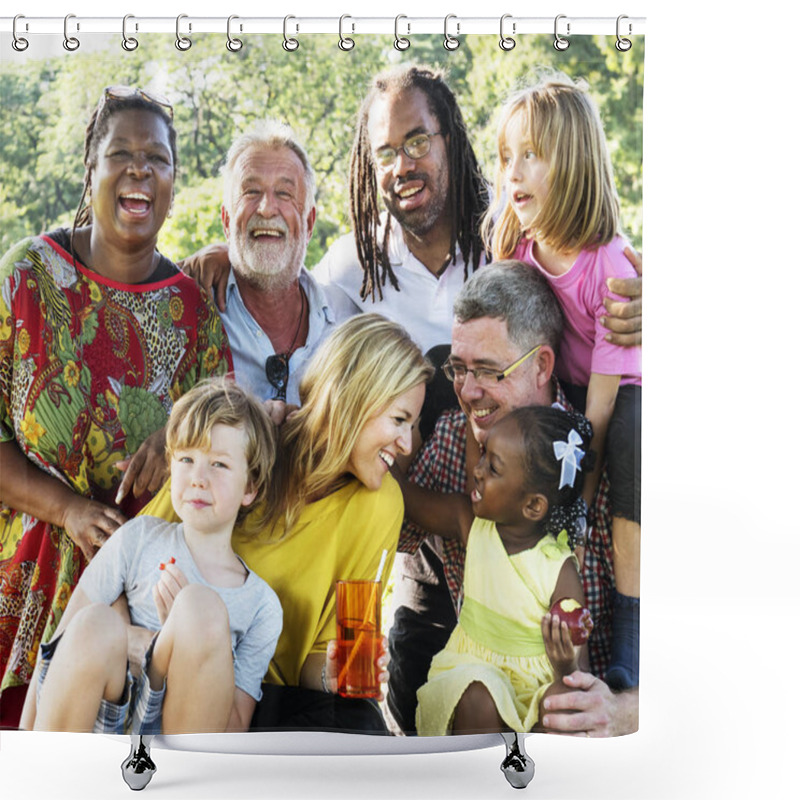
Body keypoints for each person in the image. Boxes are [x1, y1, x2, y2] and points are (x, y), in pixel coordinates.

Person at [0, 86, 231, 729]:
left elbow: (225, 450)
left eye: (156, 158)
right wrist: (68, 509)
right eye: (120, 154)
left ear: (173, 181)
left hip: (139, 597)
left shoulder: (194, 315)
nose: (139, 169)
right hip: (20, 578)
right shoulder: (28, 276)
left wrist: (182, 435)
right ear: (91, 170)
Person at [141, 314, 434, 731]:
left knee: (364, 733)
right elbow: (140, 545)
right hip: (180, 671)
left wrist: (331, 672)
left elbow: (309, 662)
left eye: (413, 425)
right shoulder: (252, 441)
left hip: (277, 701)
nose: (406, 445)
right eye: (399, 420)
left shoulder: (381, 505)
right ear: (356, 399)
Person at [389, 262, 638, 737]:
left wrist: (628, 710)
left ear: (542, 365)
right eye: (458, 369)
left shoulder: (606, 458)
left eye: (487, 371)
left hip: (585, 715)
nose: (467, 390)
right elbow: (395, 526)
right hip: (477, 696)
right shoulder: (452, 438)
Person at [483, 75, 641, 689]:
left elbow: (599, 409)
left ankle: (628, 631)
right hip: (561, 390)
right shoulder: (516, 251)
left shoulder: (610, 264)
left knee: (625, 434)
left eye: (531, 155)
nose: (513, 173)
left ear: (572, 163)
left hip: (615, 395)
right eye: (506, 158)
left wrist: (577, 494)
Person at [21, 379, 282, 734]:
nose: (198, 478)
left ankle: (173, 787)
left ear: (250, 486)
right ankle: (44, 777)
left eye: (219, 464)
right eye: (187, 459)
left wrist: (189, 645)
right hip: (103, 721)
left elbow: (234, 728)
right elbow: (59, 647)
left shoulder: (261, 605)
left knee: (199, 609)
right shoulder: (138, 538)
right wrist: (130, 639)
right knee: (96, 623)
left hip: (181, 746)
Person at [397, 406, 594, 735]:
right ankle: (478, 781)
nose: (477, 470)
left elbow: (580, 674)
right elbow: (408, 499)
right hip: (472, 671)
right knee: (480, 695)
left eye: (493, 467)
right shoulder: (470, 523)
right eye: (483, 455)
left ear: (532, 505)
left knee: (563, 703)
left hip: (534, 691)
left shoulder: (558, 568)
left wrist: (565, 665)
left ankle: (532, 780)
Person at [184, 119, 357, 409]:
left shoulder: (343, 323)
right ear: (226, 222)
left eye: (284, 193)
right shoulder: (192, 313)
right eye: (251, 192)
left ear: (309, 222)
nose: (266, 209)